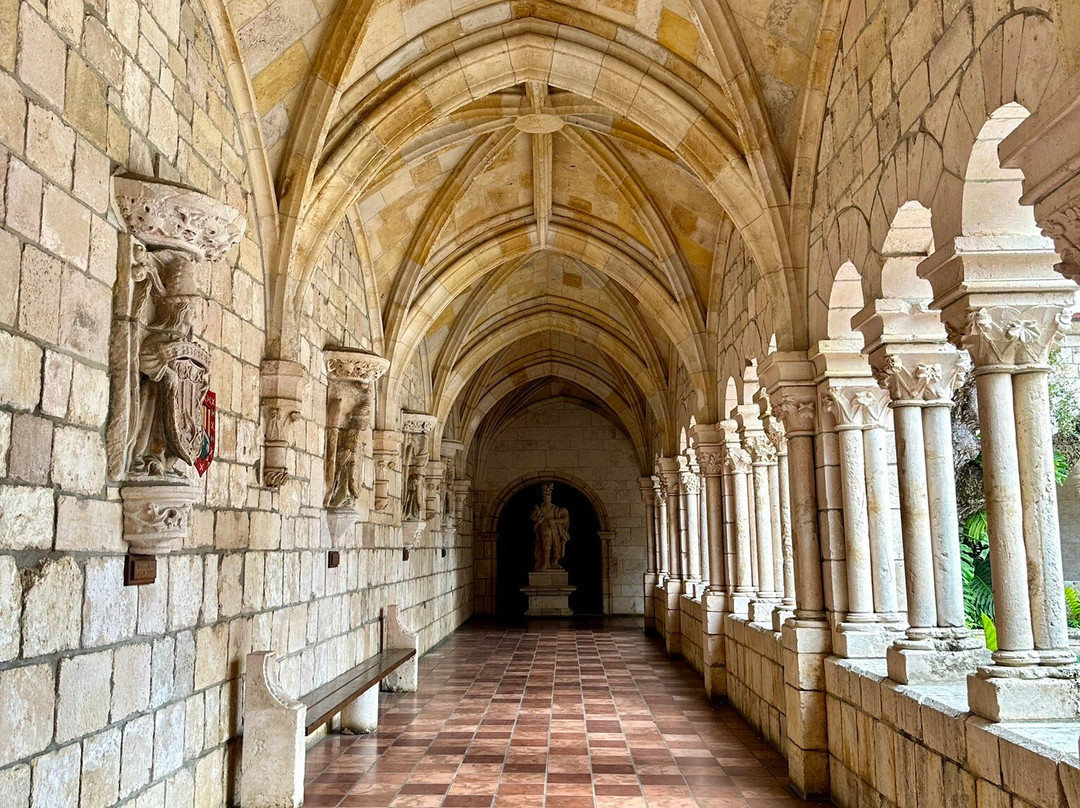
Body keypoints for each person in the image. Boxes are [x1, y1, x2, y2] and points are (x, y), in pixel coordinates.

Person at [531, 482, 570, 570]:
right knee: (546, 547)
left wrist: (555, 520)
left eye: (548, 496)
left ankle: (554, 563)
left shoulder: (556, 509)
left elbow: (565, 519)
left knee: (557, 546)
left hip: (555, 530)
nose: (547, 498)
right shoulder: (539, 509)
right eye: (545, 496)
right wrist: (538, 519)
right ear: (543, 497)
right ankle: (545, 563)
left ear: (551, 497)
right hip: (544, 529)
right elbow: (532, 517)